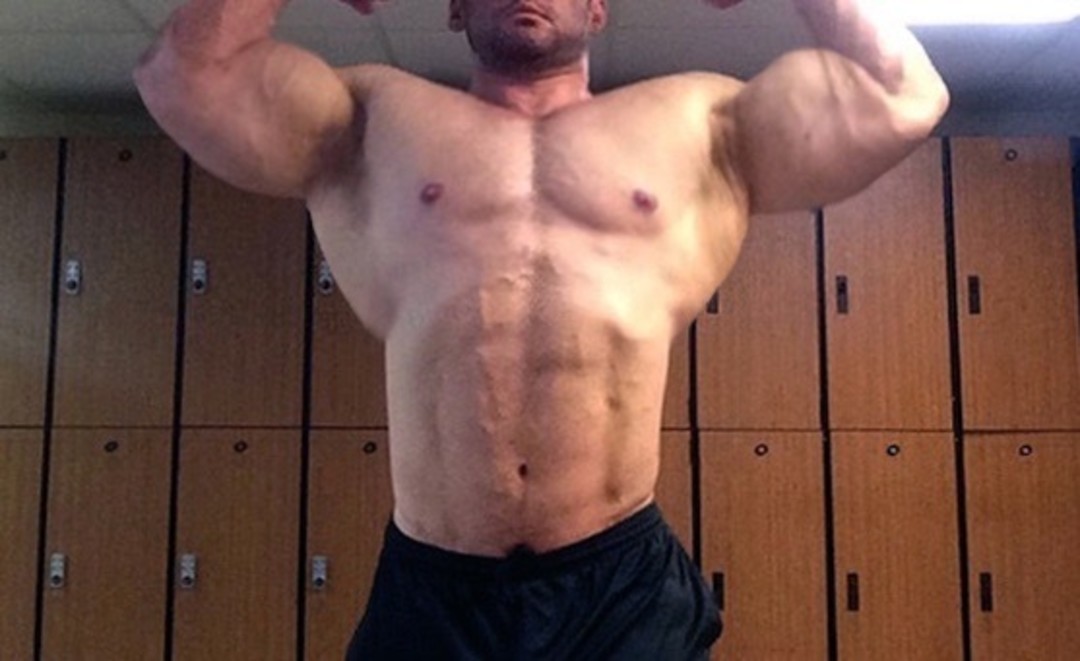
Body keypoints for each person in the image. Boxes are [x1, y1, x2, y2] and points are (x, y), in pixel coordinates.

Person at [135, 0, 948, 657]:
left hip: (620, 585)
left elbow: (905, 97)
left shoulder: (702, 121)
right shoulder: (370, 118)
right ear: (455, 8)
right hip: (435, 586)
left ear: (598, 9)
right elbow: (185, 76)